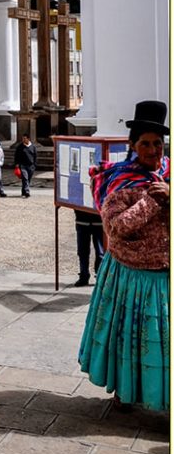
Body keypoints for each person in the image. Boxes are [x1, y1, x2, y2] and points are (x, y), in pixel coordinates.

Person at [79, 100, 169, 412]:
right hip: (131, 276)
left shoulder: (168, 176)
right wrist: (152, 202)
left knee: (161, 347)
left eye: (158, 143)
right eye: (145, 143)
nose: (153, 150)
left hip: (164, 276)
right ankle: (126, 392)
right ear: (132, 145)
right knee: (129, 341)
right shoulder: (117, 179)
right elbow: (115, 227)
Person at [72, 208, 104, 287]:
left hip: (98, 221)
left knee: (101, 253)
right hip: (82, 219)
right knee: (82, 252)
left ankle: (99, 276)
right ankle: (84, 275)